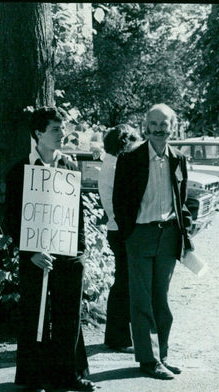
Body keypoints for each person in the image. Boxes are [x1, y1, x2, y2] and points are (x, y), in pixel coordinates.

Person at [3, 106, 94, 392]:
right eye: (55, 129)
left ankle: (71, 373)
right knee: (36, 316)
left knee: (70, 313)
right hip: (35, 255)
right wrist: (28, 252)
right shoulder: (20, 171)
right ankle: (35, 378)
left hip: (68, 252)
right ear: (39, 133)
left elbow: (76, 212)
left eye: (62, 128)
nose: (62, 134)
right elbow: (12, 218)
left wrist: (79, 250)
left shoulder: (69, 165)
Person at [112, 104, 194, 380]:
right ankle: (148, 360)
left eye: (165, 123)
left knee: (162, 299)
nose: (159, 129)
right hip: (140, 234)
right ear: (146, 126)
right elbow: (119, 202)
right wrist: (130, 233)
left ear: (173, 126)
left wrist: (186, 233)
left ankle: (164, 356)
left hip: (168, 235)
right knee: (141, 299)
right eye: (154, 123)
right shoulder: (130, 158)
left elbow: (181, 202)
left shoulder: (179, 158)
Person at [98, 124, 140, 353]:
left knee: (123, 282)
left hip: (116, 228)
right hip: (121, 229)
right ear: (124, 143)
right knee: (124, 283)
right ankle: (118, 337)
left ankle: (119, 335)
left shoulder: (109, 164)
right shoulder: (116, 166)